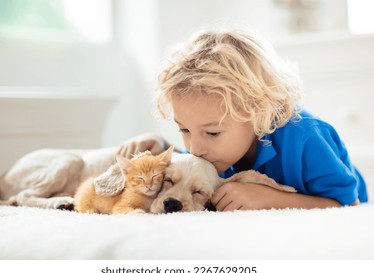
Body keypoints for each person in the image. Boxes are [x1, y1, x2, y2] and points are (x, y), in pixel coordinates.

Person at [117, 27, 367, 211]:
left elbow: (348, 206)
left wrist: (269, 199)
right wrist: (159, 147)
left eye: (212, 133)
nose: (195, 148)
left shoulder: (307, 138)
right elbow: (194, 166)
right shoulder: (211, 149)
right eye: (184, 129)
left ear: (258, 112)